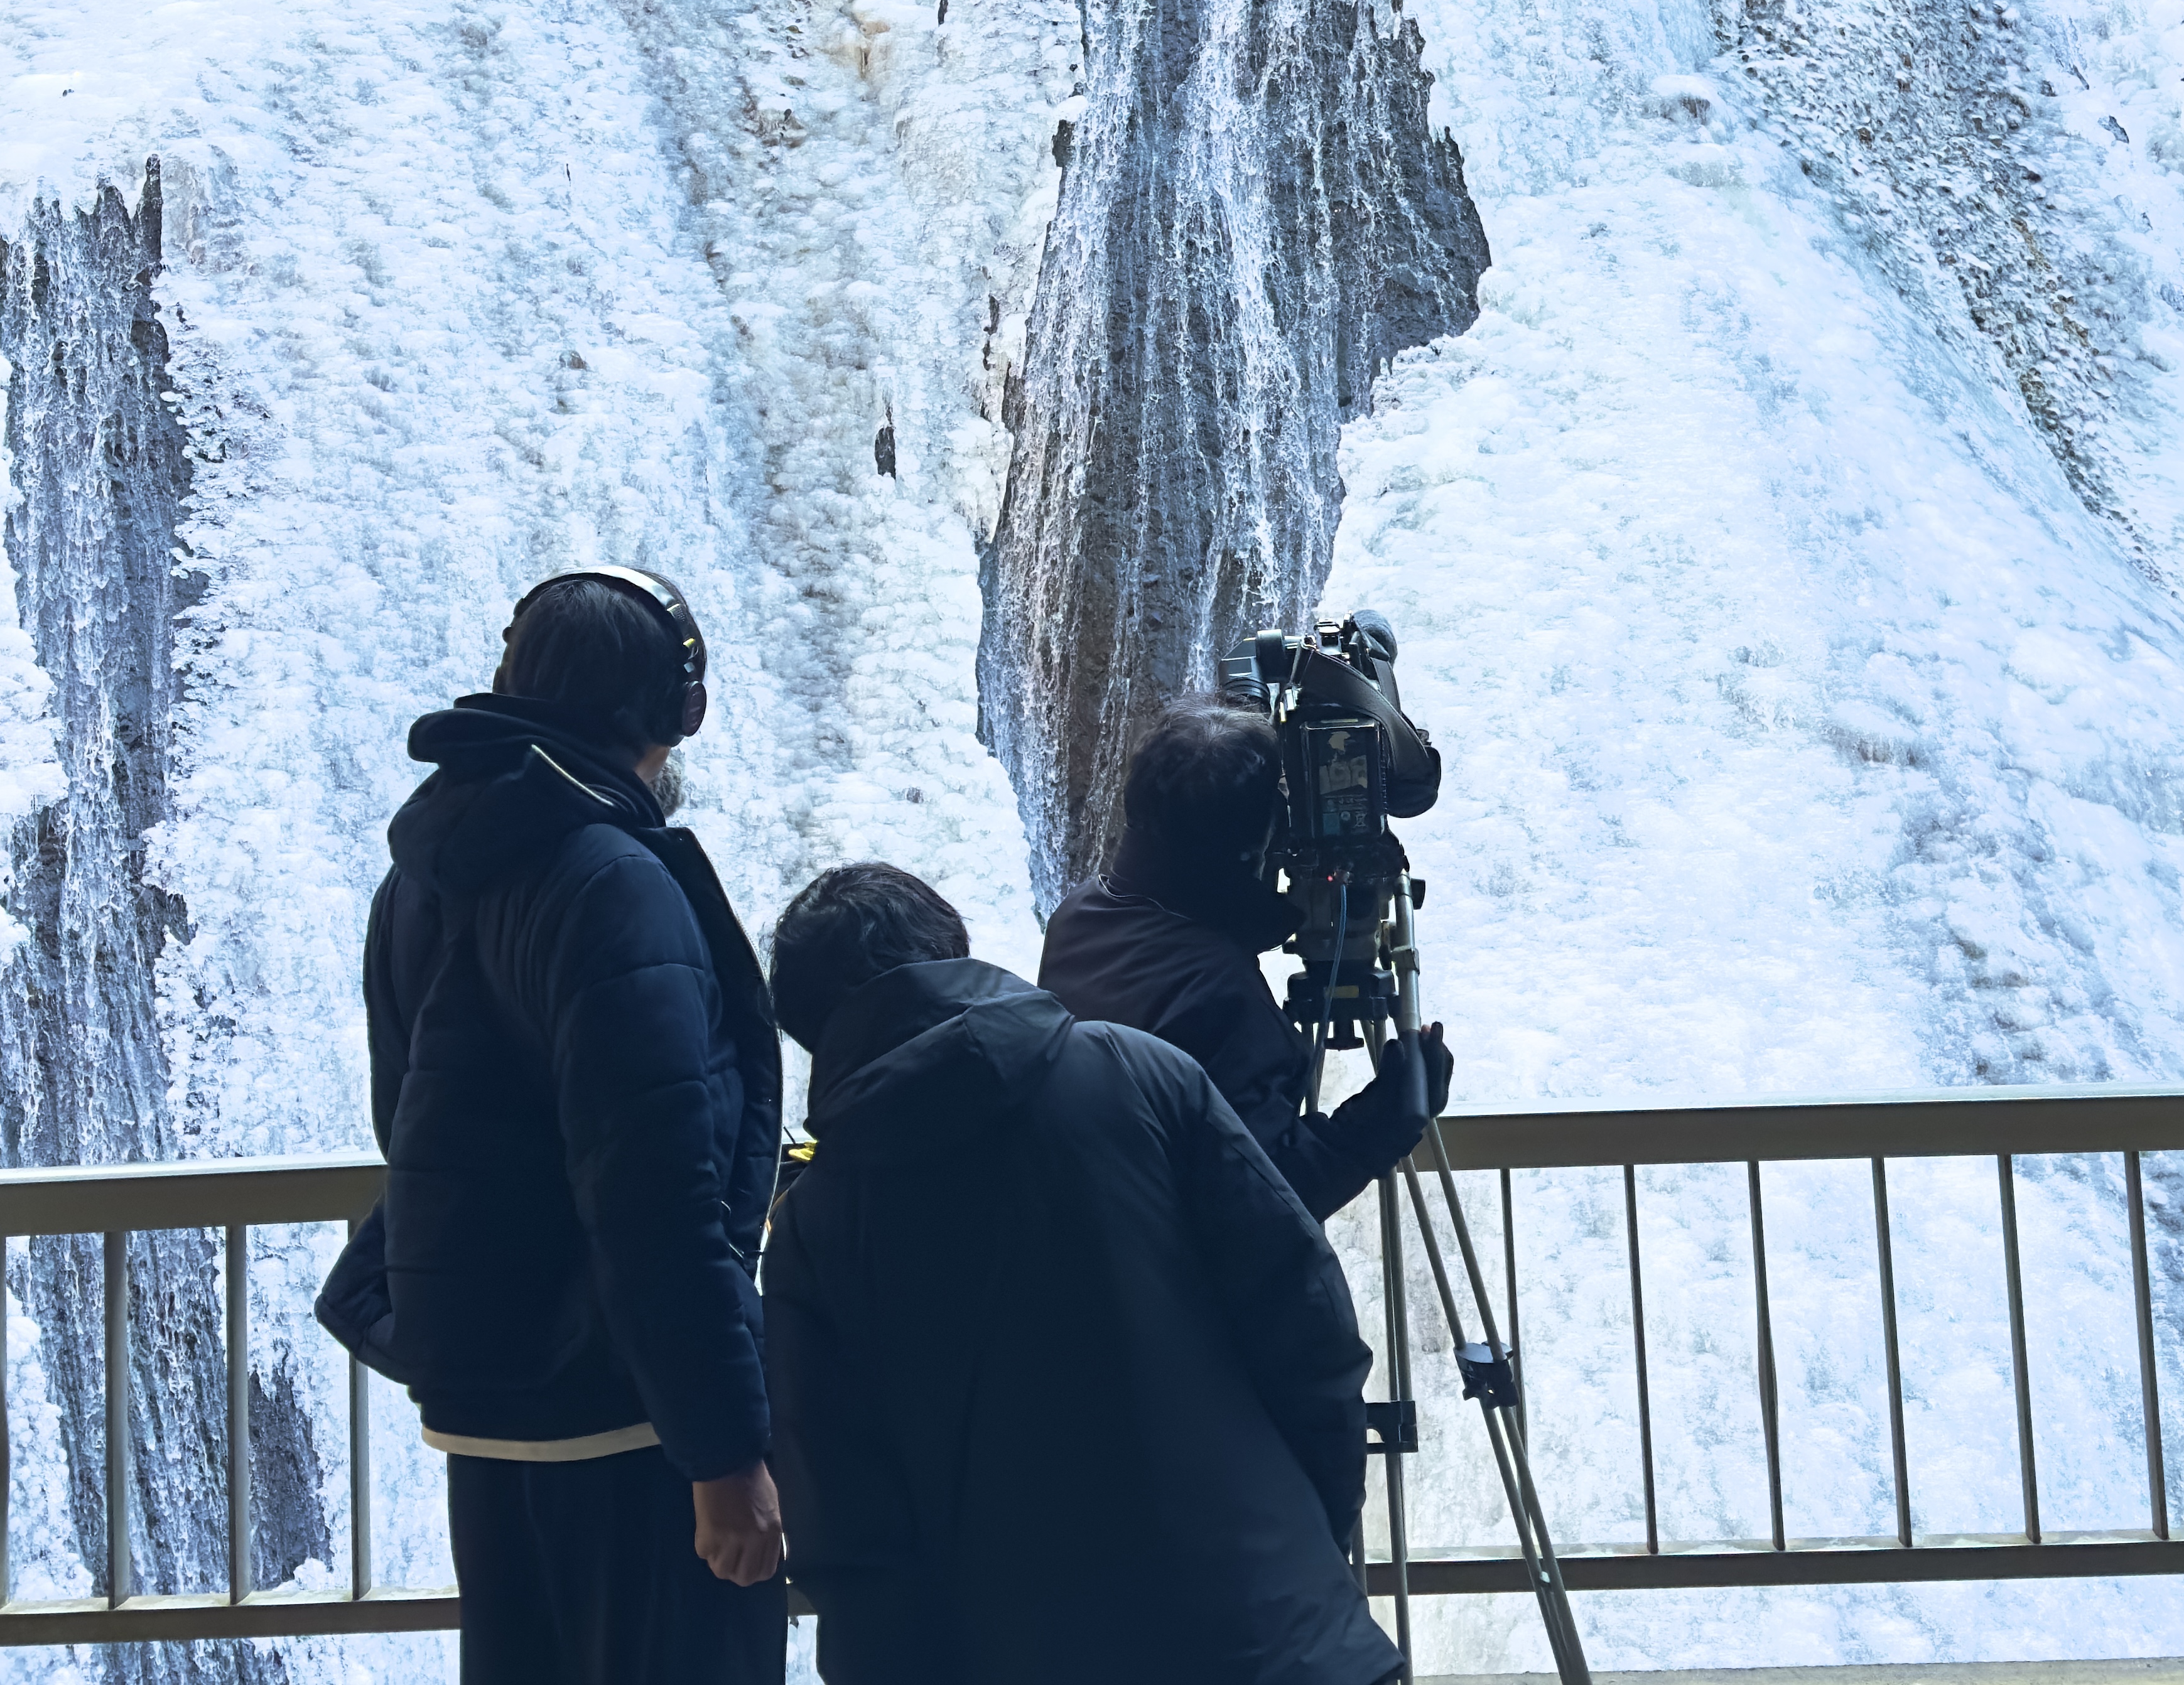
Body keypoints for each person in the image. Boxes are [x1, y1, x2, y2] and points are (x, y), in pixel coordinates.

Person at [760, 863, 1402, 1685]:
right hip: (1279, 1636)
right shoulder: (1141, 1073)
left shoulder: (816, 1229)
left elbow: (846, 1529)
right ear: (954, 950)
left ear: (815, 1032)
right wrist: (1303, 1543)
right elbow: (1308, 1322)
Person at [322, 568, 787, 1684]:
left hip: (485, 1399)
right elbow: (656, 1196)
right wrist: (722, 1452)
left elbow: (407, 1114)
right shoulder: (610, 882)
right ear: (683, 709)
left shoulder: (429, 867)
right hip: (621, 1417)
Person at [1035, 696, 1451, 1218]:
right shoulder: (1220, 999)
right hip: (1176, 1285)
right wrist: (1390, 1117)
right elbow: (1267, 1207)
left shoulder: (1080, 914)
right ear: (1258, 848)